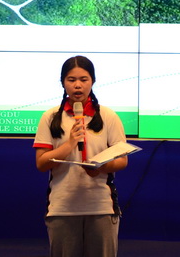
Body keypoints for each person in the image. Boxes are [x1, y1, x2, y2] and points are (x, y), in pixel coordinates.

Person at [33, 55, 128, 257]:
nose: (78, 85)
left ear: (93, 81)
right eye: (71, 80)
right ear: (63, 83)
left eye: (84, 79)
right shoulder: (50, 117)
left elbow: (122, 160)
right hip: (62, 207)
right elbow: (41, 163)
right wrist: (69, 144)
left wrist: (101, 168)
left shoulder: (108, 116)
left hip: (101, 207)